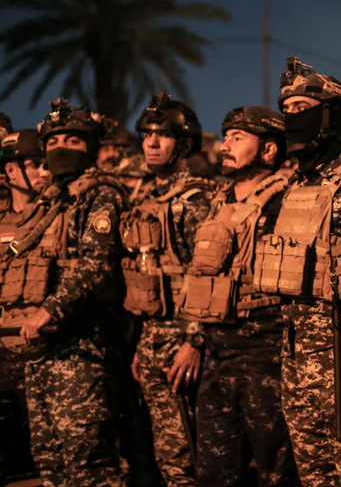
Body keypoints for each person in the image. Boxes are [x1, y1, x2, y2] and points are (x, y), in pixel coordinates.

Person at [261, 57, 341, 486]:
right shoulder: (294, 188)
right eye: (287, 111)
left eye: (302, 110)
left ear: (330, 117)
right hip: (298, 367)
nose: (292, 120)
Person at [179, 105, 298, 486]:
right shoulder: (218, 203)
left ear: (268, 151)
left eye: (238, 137)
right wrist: (193, 340)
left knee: (276, 472)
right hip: (216, 355)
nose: (225, 145)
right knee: (213, 473)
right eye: (225, 136)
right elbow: (201, 278)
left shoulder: (288, 203)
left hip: (266, 356)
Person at [14, 99, 129, 485]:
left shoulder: (101, 195)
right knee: (51, 464)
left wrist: (49, 310)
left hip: (83, 346)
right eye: (55, 139)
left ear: (91, 148)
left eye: (74, 140)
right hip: (42, 349)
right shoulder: (49, 200)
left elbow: (97, 265)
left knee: (89, 462)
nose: (61, 146)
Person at [123, 93, 215, 485]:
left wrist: (194, 341)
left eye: (162, 135)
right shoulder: (145, 199)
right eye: (146, 135)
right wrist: (143, 346)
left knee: (188, 458)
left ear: (185, 145)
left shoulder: (197, 199)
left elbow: (209, 274)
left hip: (183, 343)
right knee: (166, 456)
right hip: (153, 340)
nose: (151, 143)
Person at [0, 129, 49, 484]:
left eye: (45, 164)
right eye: (33, 164)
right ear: (10, 171)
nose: (44, 172)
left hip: (45, 349)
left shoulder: (56, 217)